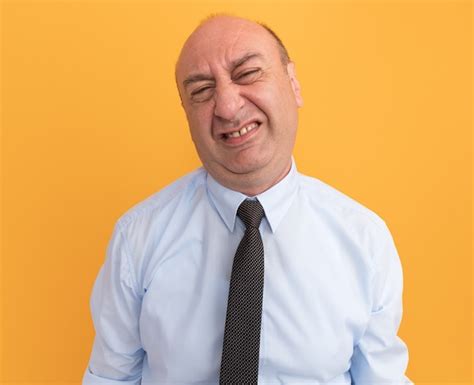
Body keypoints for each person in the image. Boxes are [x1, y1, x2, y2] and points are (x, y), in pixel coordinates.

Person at [83, 14, 412, 384]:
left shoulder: (364, 239)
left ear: (293, 84)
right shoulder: (137, 239)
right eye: (202, 91)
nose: (227, 106)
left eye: (247, 73)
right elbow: (111, 379)